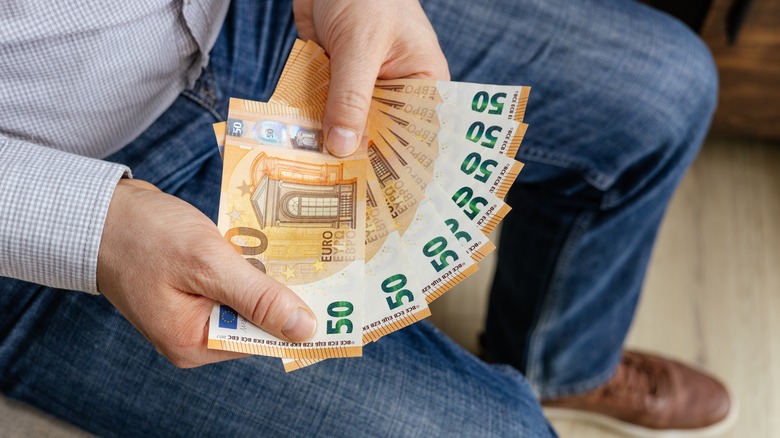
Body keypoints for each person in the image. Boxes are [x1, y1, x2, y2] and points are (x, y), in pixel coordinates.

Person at [0, 0, 733, 436]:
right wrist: (90, 227)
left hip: (252, 17)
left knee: (667, 88)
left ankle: (563, 364)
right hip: (51, 195)